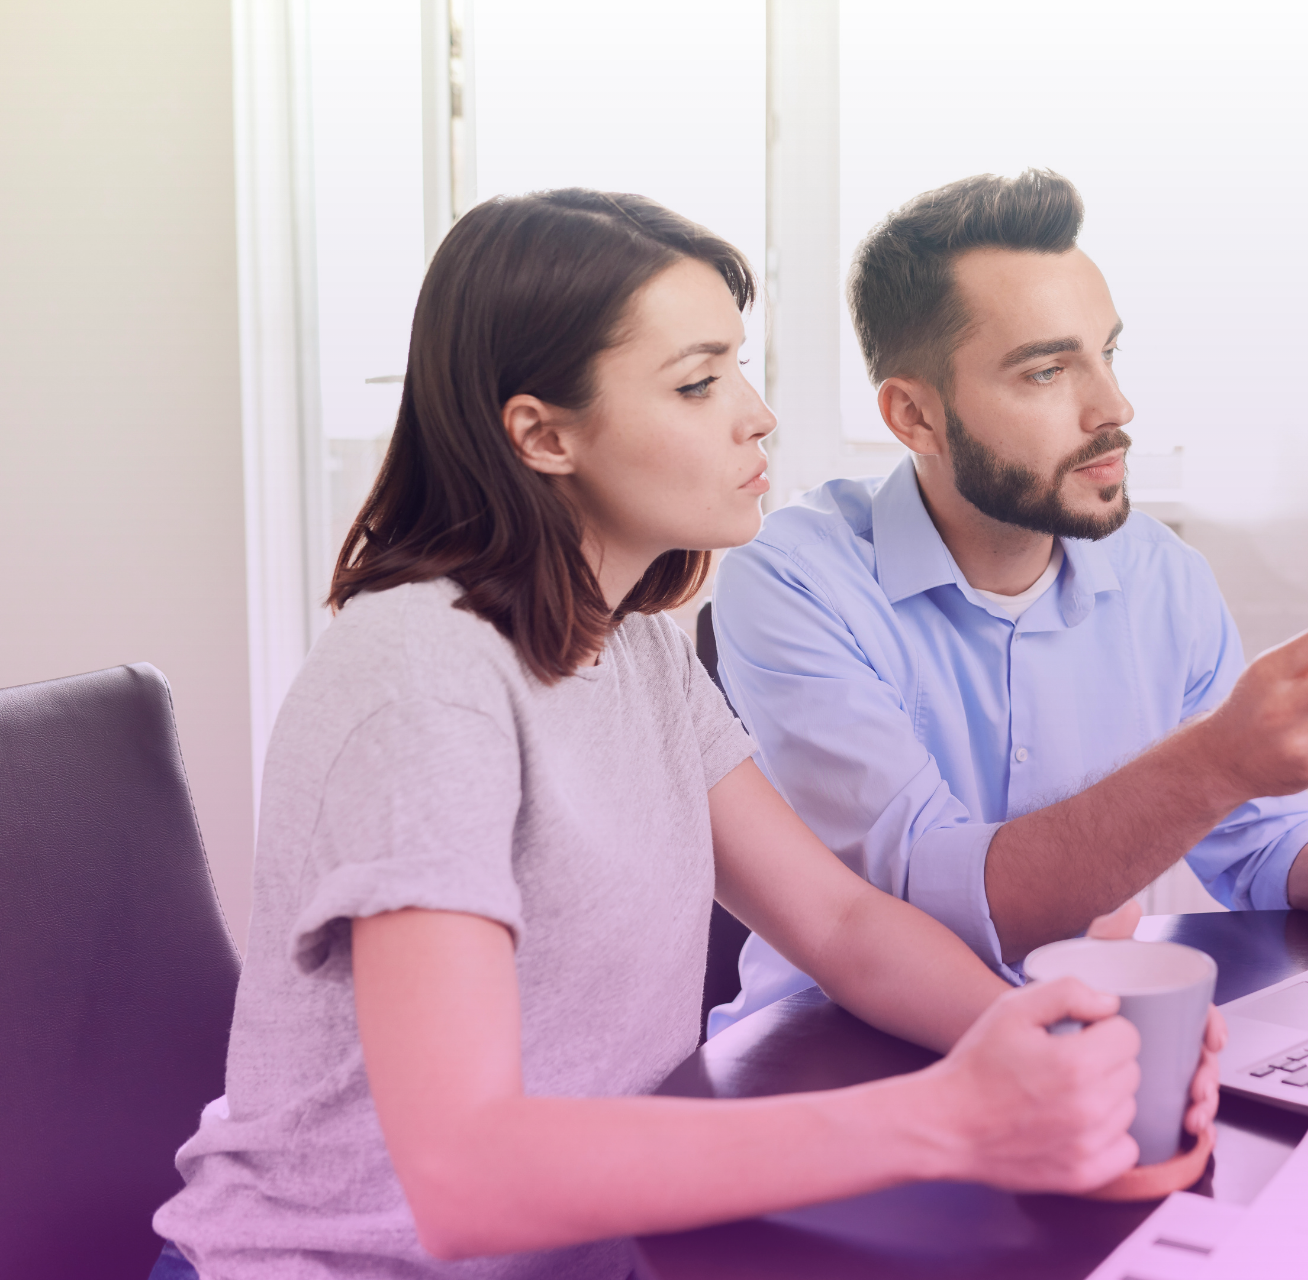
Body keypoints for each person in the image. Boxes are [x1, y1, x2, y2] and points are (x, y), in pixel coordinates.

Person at [150, 189, 1222, 1280]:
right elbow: (468, 1173)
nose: (755, 415)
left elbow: (844, 922)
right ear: (543, 433)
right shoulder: (421, 676)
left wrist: (1055, 1048)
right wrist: (947, 1115)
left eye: (740, 368)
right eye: (698, 383)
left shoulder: (635, 645)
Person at [708, 169, 1308, 1035]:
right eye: (1045, 371)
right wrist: (1220, 759)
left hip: (1092, 1037)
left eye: (1107, 353)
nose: (1113, 406)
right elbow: (931, 899)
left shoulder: (1162, 577)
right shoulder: (794, 579)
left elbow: (1262, 845)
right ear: (915, 418)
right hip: (831, 1047)